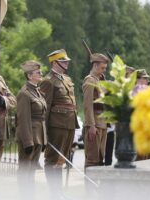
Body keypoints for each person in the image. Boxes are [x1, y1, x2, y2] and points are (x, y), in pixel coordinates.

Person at [40, 49, 79, 199]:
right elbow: (46, 107)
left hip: (69, 123)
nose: (67, 63)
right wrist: (44, 131)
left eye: (66, 60)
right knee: (52, 159)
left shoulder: (67, 79)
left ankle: (59, 191)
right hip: (56, 126)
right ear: (54, 63)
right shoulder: (48, 81)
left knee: (62, 159)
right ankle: (54, 192)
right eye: (63, 61)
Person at [16, 60, 47, 199]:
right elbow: (23, 119)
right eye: (38, 72)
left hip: (38, 136)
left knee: (32, 171)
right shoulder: (24, 93)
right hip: (29, 138)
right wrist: (28, 141)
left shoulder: (37, 91)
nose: (41, 74)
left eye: (40, 72)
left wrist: (43, 138)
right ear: (29, 76)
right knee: (25, 171)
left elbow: (42, 117)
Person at [82, 53, 109, 168]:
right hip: (94, 125)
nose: (104, 71)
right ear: (95, 65)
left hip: (102, 124)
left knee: (100, 159)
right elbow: (88, 105)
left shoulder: (99, 80)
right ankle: (89, 186)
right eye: (102, 68)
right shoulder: (90, 81)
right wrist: (91, 125)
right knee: (92, 160)